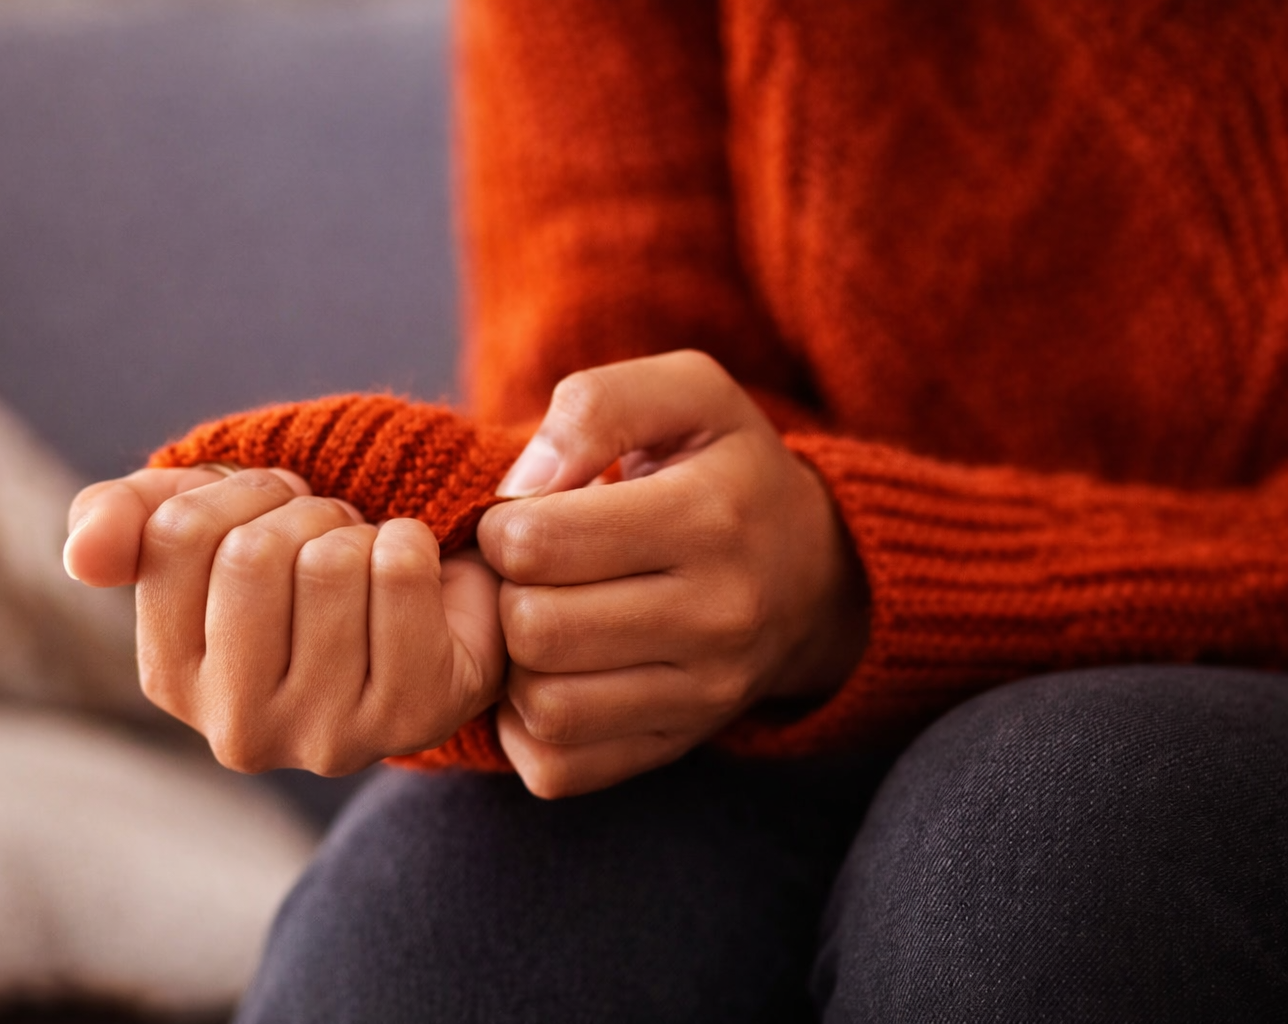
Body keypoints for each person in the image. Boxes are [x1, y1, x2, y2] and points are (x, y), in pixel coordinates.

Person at [64, 1, 1288, 1019]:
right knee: (439, 921)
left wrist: (847, 576)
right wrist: (515, 592)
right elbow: (611, 395)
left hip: (1168, 693)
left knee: (1068, 834)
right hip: (792, 690)